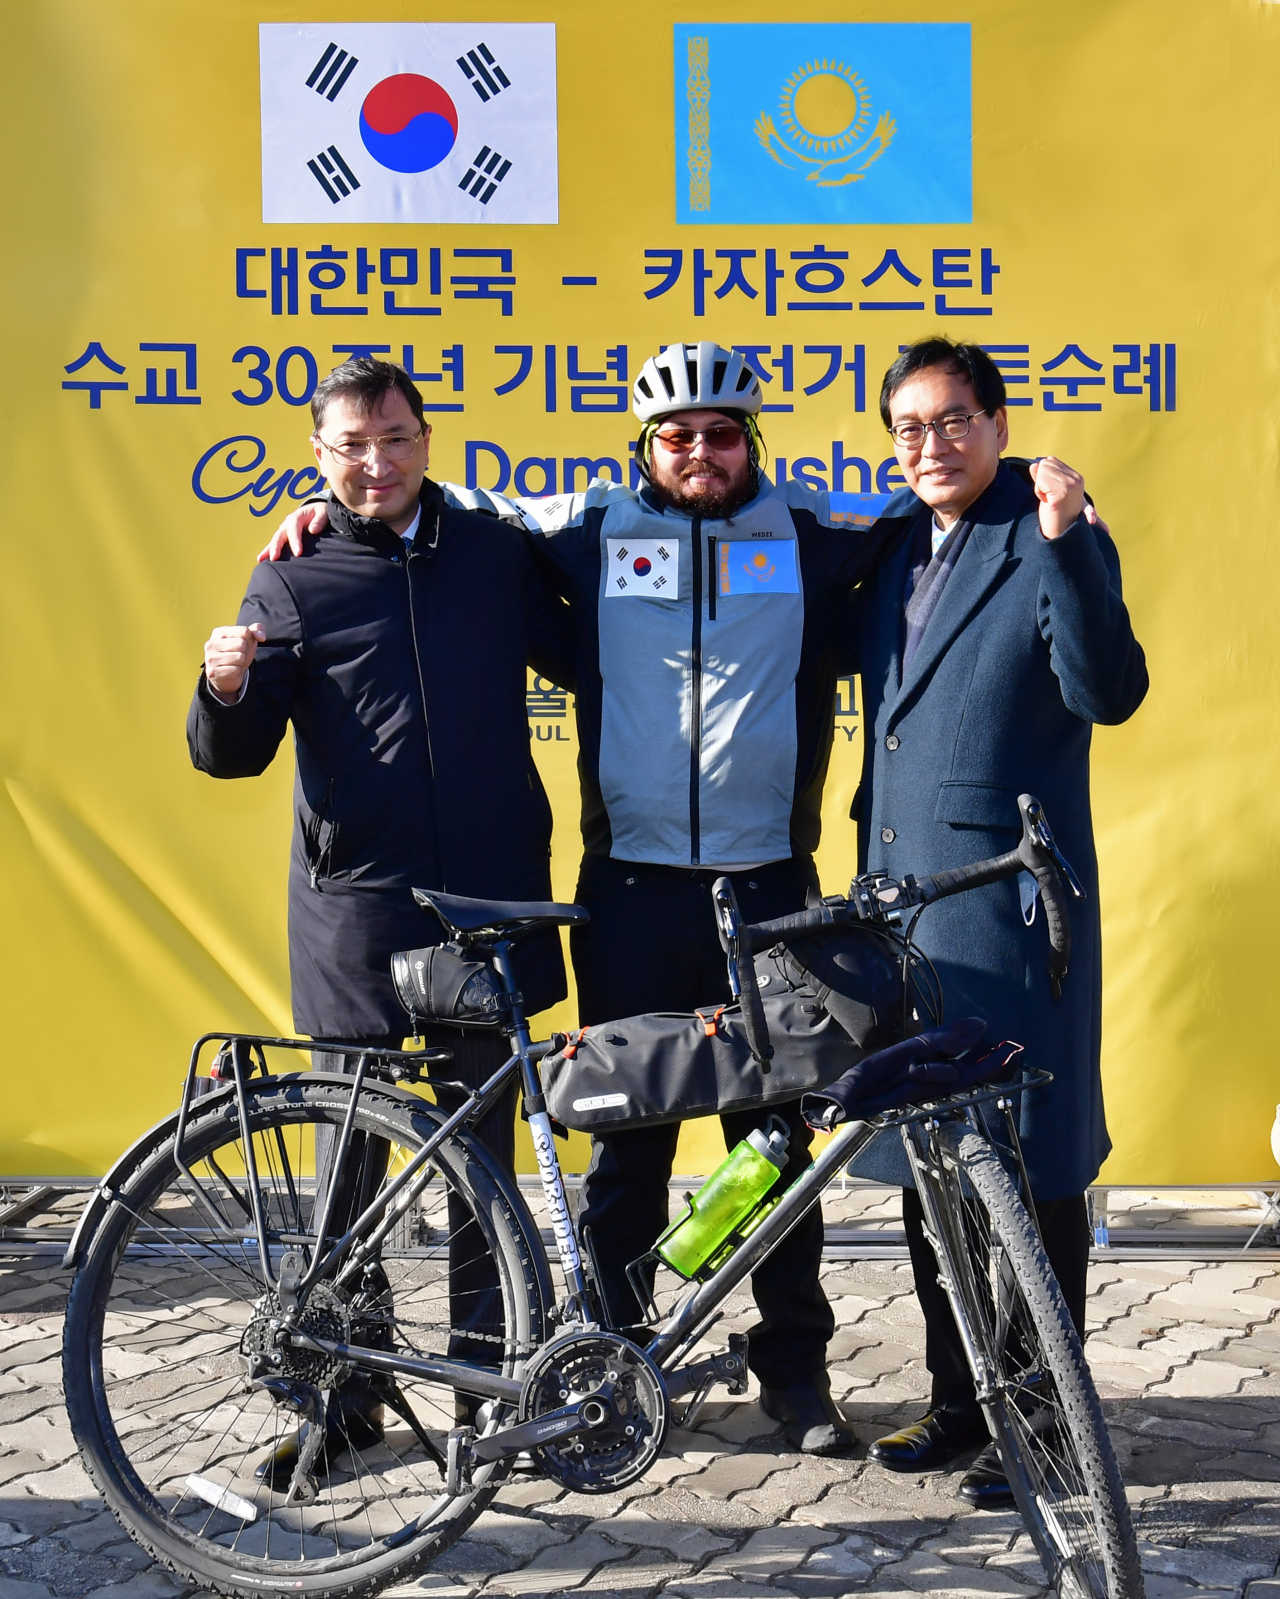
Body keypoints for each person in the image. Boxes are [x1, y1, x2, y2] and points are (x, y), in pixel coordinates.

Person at [265, 341, 908, 1455]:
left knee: (775, 1138)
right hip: (629, 886)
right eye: (674, 436)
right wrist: (313, 514)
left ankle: (793, 1372)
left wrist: (1039, 481)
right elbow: (437, 501)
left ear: (750, 441)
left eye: (719, 433)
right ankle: (616, 1352)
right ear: (643, 447)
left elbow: (939, 515)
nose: (696, 453)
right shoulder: (586, 530)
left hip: (767, 883)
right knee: (628, 1141)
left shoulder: (810, 534)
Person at [188, 356, 570, 1483]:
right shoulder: (292, 579)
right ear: (319, 455)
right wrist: (221, 684)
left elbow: (593, 637)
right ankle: (343, 1399)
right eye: (350, 446)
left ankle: (486, 1394)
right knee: (352, 1159)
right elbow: (235, 752)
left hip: (486, 896)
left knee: (479, 1160)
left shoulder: (496, 553)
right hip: (354, 906)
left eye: (394, 438)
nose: (375, 463)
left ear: (427, 437)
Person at [848, 338, 1148, 1507]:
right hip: (904, 919)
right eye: (909, 428)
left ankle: (1050, 1427)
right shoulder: (888, 548)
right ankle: (961, 1404)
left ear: (995, 420)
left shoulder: (1046, 533)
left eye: (953, 421)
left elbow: (1105, 693)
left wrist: (1070, 545)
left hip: (1013, 913)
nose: (932, 445)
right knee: (935, 1174)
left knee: (1031, 1176)